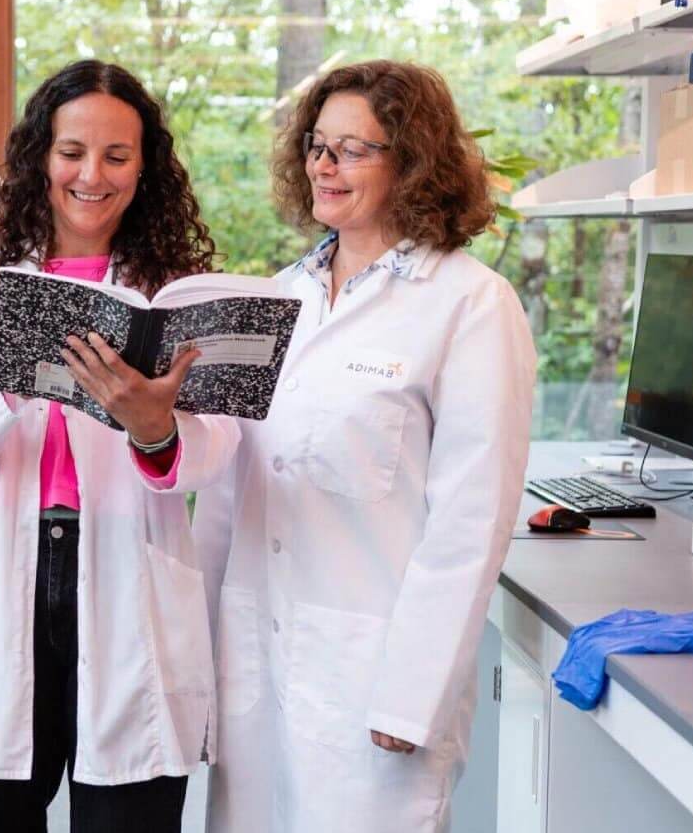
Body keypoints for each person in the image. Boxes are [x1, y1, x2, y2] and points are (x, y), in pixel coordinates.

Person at [196, 60, 537, 833]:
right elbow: (222, 502)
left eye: (354, 148)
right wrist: (198, 662)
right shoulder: (277, 298)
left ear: (412, 162)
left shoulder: (469, 304)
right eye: (318, 144)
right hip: (252, 663)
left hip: (372, 680)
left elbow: (468, 527)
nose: (325, 163)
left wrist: (412, 694)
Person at [0, 60, 240, 833]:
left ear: (144, 167)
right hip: (6, 586)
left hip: (128, 581)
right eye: (71, 152)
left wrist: (154, 427)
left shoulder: (178, 294)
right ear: (39, 159)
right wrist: (13, 372)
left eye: (117, 156)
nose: (92, 174)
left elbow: (219, 447)